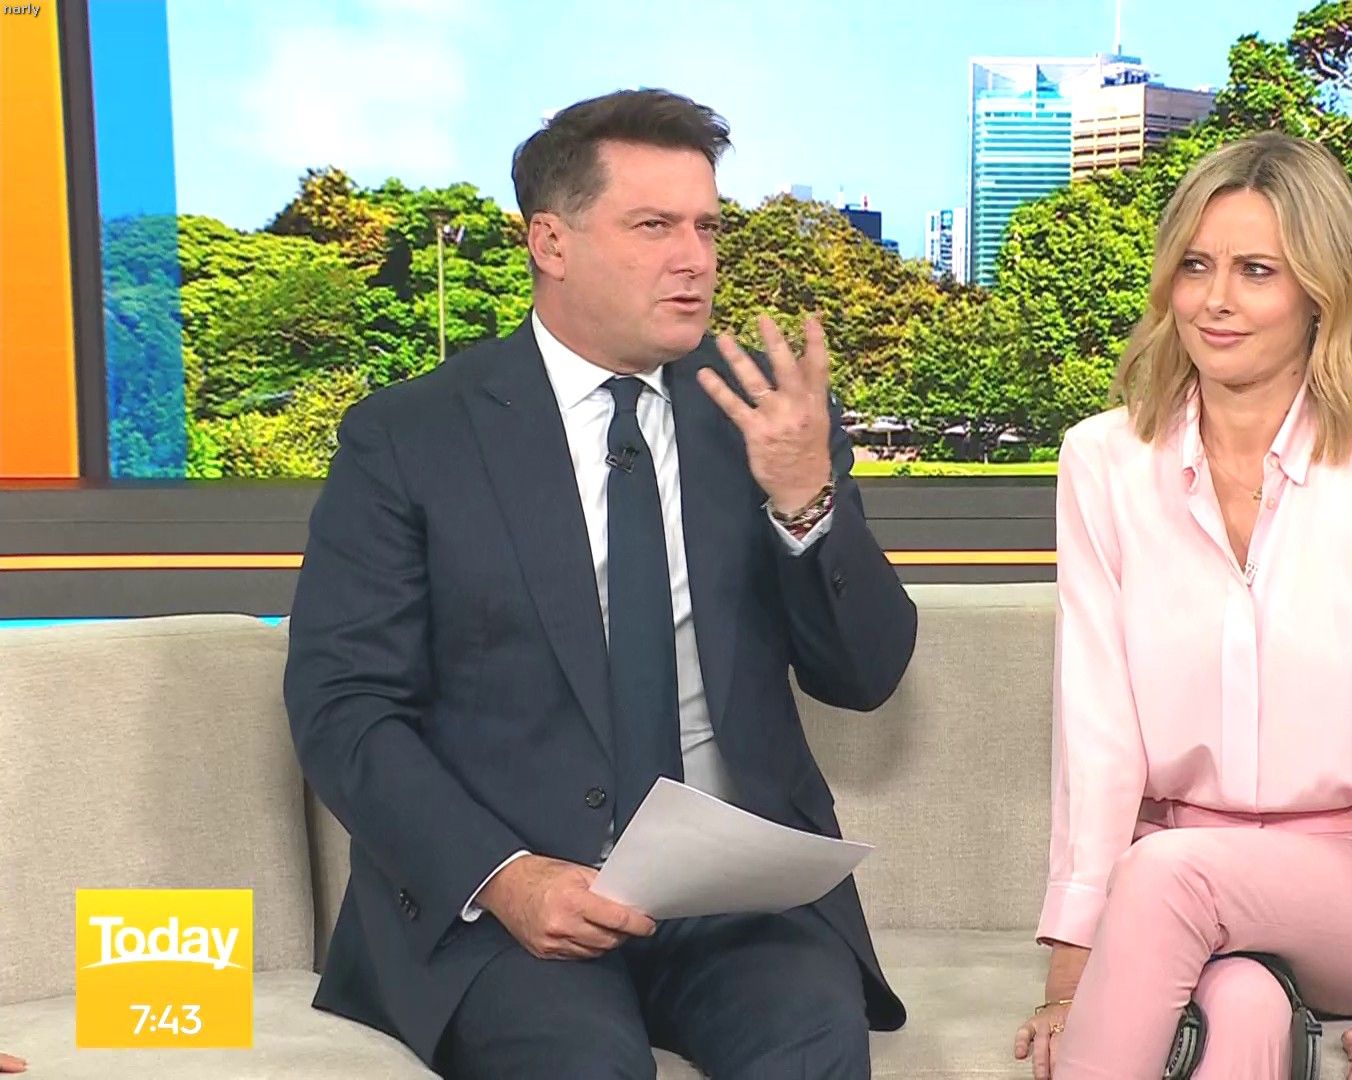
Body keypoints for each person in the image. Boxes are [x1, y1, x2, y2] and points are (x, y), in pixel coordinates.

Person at [285, 88, 917, 1080]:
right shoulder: (409, 438)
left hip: (731, 899)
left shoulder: (769, 421)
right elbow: (344, 708)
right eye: (654, 226)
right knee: (580, 1064)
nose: (695, 258)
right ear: (551, 241)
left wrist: (807, 502)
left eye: (708, 227)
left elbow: (866, 675)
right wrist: (505, 878)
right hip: (514, 902)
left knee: (811, 1043)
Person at [1011, 132, 1352, 1080]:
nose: (1214, 299)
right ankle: (1256, 1008)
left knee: (1166, 875)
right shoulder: (1104, 461)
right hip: (1177, 878)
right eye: (1195, 266)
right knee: (1244, 1007)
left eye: (1256, 271)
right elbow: (1097, 734)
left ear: (1319, 293)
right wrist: (1068, 987)